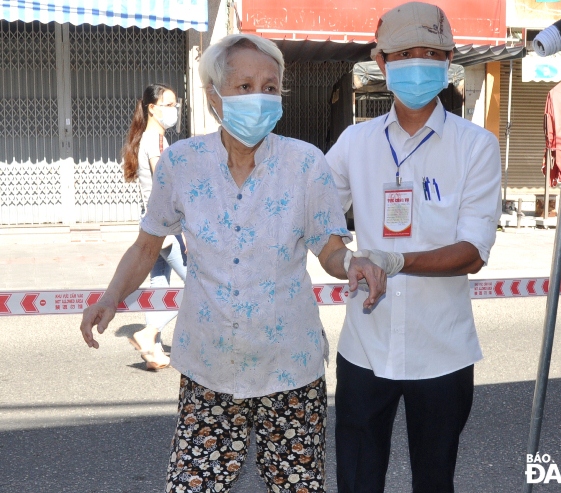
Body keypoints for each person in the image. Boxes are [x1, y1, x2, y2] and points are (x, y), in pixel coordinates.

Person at [80, 34, 386, 492]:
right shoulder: (181, 163)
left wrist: (352, 263)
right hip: (209, 368)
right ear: (214, 96)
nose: (259, 96)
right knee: (192, 485)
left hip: (290, 368)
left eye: (269, 85)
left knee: (297, 486)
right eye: (244, 86)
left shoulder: (306, 165)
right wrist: (110, 297)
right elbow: (147, 246)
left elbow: (330, 249)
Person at [325, 2, 502, 492]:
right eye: (405, 53)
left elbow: (473, 251)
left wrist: (396, 260)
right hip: (365, 349)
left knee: (434, 481)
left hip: (442, 352)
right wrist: (347, 257)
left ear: (449, 61)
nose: (420, 63)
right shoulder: (353, 144)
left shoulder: (476, 146)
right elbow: (318, 221)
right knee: (357, 482)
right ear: (382, 63)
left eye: (432, 52)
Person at [121, 83, 187, 370]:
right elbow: (165, 182)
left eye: (175, 105)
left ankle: (153, 351)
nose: (174, 111)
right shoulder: (157, 140)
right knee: (202, 285)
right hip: (167, 228)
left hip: (152, 226)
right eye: (169, 105)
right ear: (152, 108)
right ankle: (148, 332)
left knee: (159, 285)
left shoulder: (142, 137)